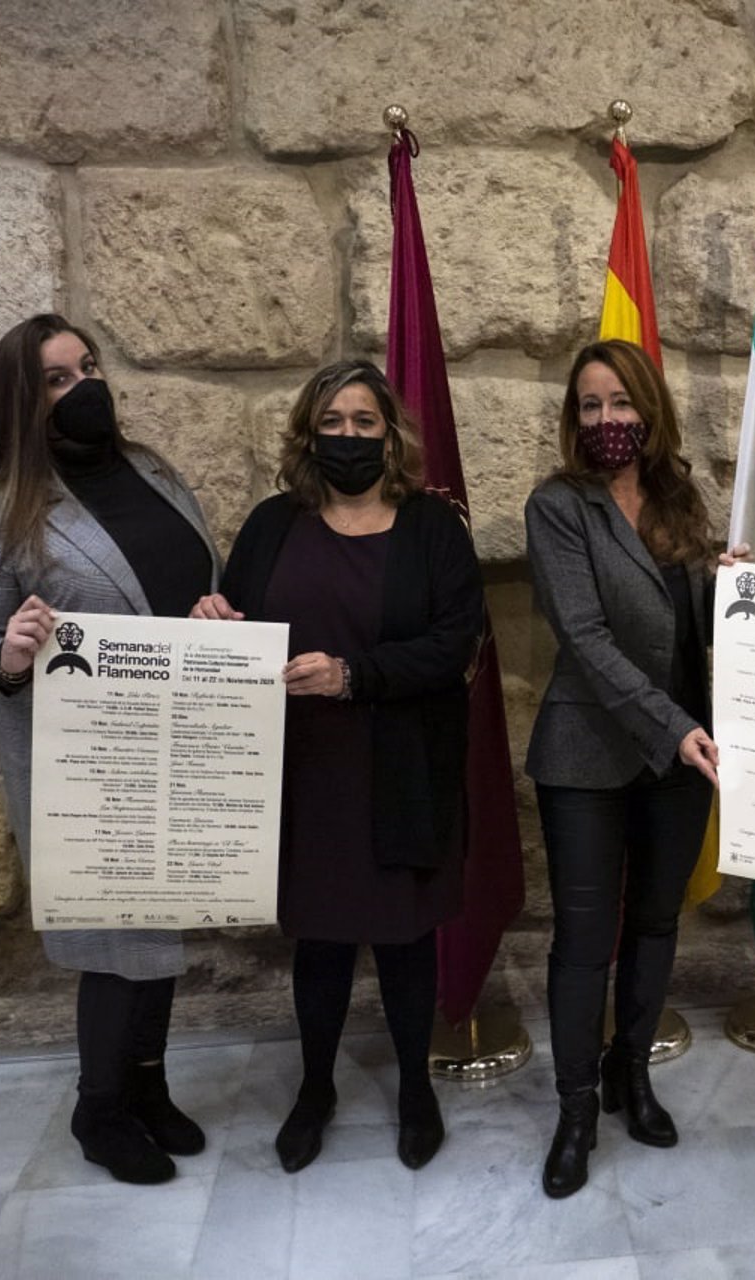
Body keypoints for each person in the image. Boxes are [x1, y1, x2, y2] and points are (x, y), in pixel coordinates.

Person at [0, 314, 218, 1185]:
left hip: (175, 739)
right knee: (114, 938)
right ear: (23, 402)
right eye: (58, 378)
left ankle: (147, 1087)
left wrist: (214, 610)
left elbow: (196, 579)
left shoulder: (154, 472)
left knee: (160, 920)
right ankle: (99, 1109)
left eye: (88, 367)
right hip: (84, 762)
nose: (84, 386)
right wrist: (9, 654)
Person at [190, 359, 482, 1175]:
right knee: (317, 940)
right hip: (299, 771)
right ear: (307, 433)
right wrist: (212, 622)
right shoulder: (271, 524)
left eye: (363, 421)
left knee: (403, 937)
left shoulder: (432, 526)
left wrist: (354, 676)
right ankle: (314, 1087)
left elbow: (454, 645)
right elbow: (239, 629)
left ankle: (415, 1091)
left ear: (390, 434)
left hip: (399, 766)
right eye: (332, 422)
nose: (347, 436)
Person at [524, 340, 724, 1199]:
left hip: (679, 754)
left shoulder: (680, 497)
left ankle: (629, 1075)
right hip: (589, 754)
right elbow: (588, 638)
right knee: (582, 942)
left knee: (652, 923)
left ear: (650, 409)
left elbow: (684, 617)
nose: (607, 421)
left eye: (620, 404)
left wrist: (736, 591)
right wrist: (675, 728)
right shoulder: (559, 505)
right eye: (591, 406)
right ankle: (574, 1111)